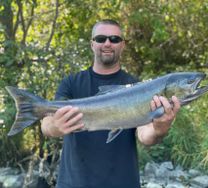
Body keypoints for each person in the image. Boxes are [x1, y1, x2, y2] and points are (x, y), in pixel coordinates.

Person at [41, 19, 180, 188]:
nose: (107, 43)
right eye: (101, 38)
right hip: (73, 183)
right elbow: (46, 124)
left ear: (122, 45)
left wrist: (160, 129)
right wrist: (56, 126)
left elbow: (145, 135)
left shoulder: (138, 87)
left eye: (114, 39)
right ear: (92, 44)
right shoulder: (71, 83)